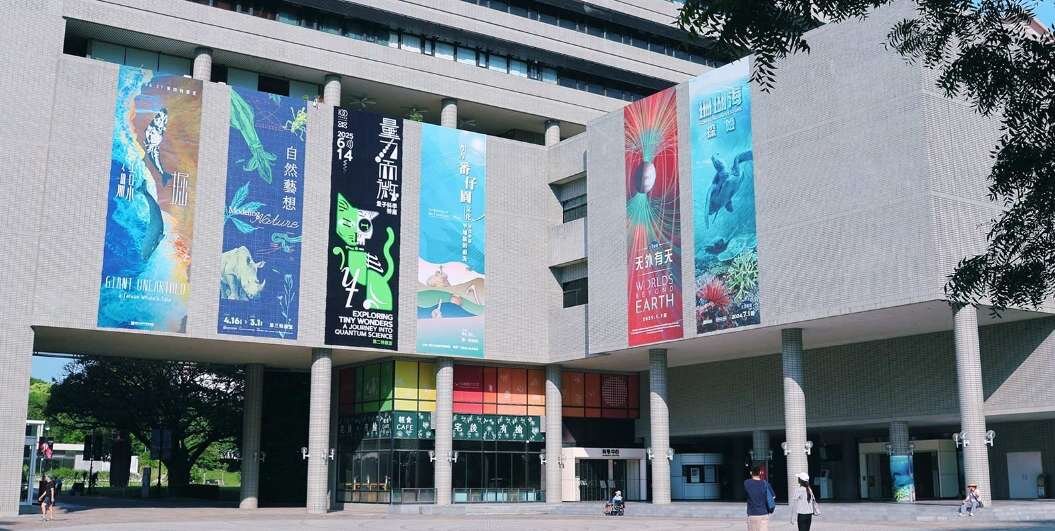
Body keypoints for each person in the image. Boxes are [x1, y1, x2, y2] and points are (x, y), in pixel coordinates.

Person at [744, 466, 773, 531]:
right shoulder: (766, 484)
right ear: (760, 473)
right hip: (764, 513)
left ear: (751, 473)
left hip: (753, 514)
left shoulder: (747, 483)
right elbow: (773, 497)